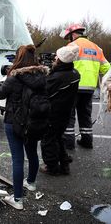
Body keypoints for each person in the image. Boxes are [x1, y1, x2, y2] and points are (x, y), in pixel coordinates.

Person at [0, 44, 48, 210]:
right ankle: (31, 183)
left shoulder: (14, 77)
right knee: (32, 152)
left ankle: (17, 199)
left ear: (18, 59)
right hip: (34, 122)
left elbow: (0, 93)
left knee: (17, 159)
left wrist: (5, 78)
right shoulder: (42, 76)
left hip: (14, 122)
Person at [60, 24, 110, 149]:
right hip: (89, 89)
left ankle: (69, 143)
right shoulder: (97, 48)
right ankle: (87, 141)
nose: (68, 40)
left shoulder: (72, 46)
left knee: (68, 114)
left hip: (73, 86)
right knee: (85, 115)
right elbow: (107, 69)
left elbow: (61, 65)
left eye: (68, 37)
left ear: (73, 35)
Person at [40, 45, 80, 175]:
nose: (54, 58)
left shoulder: (57, 77)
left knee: (48, 140)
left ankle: (51, 167)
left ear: (61, 60)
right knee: (58, 138)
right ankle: (64, 164)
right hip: (65, 112)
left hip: (53, 113)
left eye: (56, 57)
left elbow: (44, 91)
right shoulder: (74, 73)